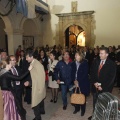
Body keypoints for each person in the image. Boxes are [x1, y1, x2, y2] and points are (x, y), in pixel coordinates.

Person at [88, 47, 116, 120]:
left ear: (107, 54)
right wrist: (94, 82)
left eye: (101, 53)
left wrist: (102, 86)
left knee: (103, 104)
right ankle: (95, 116)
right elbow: (92, 73)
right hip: (95, 87)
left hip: (105, 88)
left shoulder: (111, 64)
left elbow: (111, 78)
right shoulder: (96, 61)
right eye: (99, 53)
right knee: (95, 102)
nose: (99, 55)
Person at [24, 49, 46, 120]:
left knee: (35, 102)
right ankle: (42, 110)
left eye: (27, 57)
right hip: (39, 86)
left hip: (38, 87)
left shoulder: (36, 65)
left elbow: (40, 78)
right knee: (40, 99)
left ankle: (38, 117)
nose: (26, 59)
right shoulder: (34, 63)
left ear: (31, 57)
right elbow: (35, 77)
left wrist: (29, 83)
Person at [71, 51, 90, 116]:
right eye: (75, 55)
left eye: (77, 55)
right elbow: (72, 73)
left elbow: (85, 74)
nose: (75, 56)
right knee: (76, 96)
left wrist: (78, 81)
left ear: (81, 56)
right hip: (75, 82)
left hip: (83, 82)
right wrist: (74, 80)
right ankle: (77, 108)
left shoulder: (85, 63)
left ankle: (83, 110)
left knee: (82, 96)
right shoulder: (73, 63)